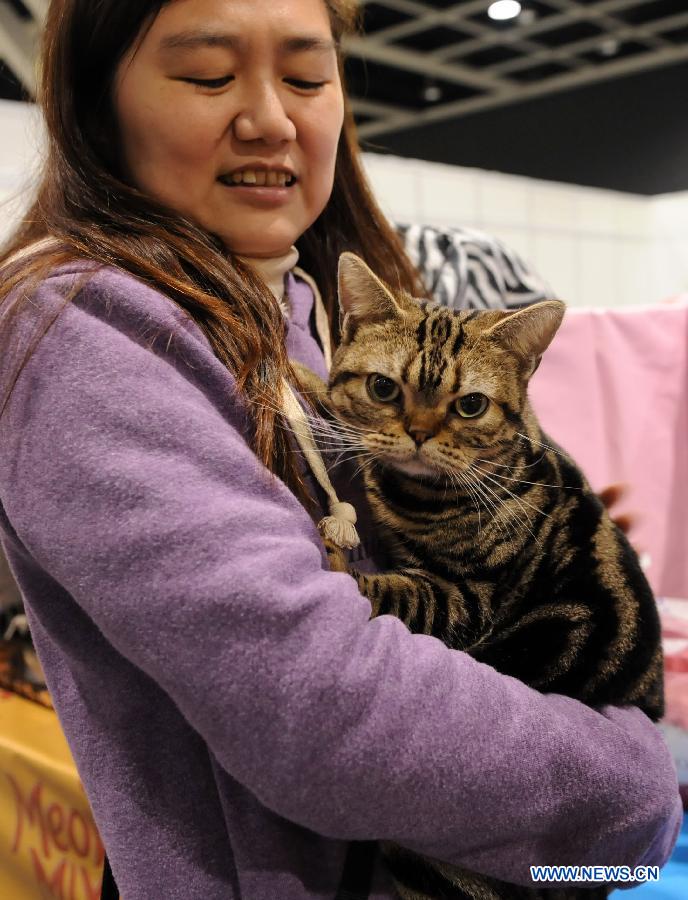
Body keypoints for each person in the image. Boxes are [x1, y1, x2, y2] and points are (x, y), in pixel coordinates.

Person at [0, 2, 681, 899]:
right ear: (96, 103)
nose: (272, 119)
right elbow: (319, 707)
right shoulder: (90, 330)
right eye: (208, 74)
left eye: (309, 77)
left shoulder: (296, 311)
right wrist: (635, 789)